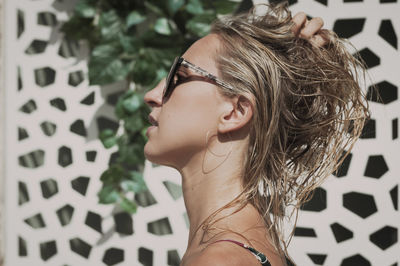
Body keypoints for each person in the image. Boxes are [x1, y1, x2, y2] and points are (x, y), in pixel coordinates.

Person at [143, 3, 369, 266]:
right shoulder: (249, 247)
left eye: (179, 76)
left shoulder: (219, 261)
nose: (152, 95)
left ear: (235, 111)